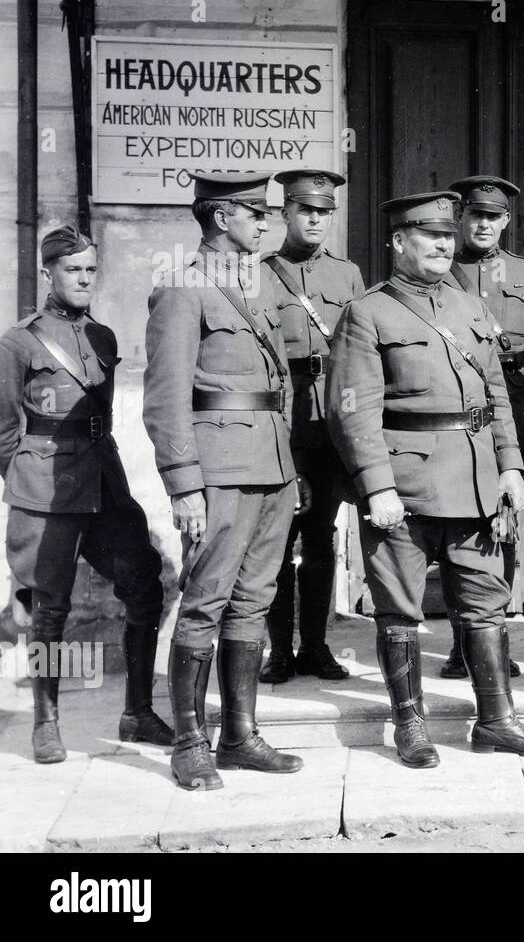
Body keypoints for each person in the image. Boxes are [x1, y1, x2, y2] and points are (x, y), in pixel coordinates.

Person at [325, 191, 524, 767]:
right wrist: (374, 485)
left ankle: (498, 721)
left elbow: (497, 398)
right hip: (404, 487)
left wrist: (510, 465)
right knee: (401, 609)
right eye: (426, 236)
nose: (440, 245)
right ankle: (410, 727)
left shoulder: (471, 309)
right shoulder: (369, 312)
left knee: (486, 603)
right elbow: (351, 408)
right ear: (398, 242)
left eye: (446, 236)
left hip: (477, 481)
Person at [143, 172, 304, 790]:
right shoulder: (183, 288)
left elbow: (280, 384)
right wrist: (183, 485)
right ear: (219, 218)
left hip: (271, 467)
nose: (266, 224)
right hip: (218, 472)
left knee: (253, 601)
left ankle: (239, 736)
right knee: (206, 599)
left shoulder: (259, 282)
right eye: (255, 214)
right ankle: (189, 742)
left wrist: (290, 466)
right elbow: (165, 397)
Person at [0, 225, 173, 764]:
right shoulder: (18, 341)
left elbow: (105, 416)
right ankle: (46, 722)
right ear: (48, 272)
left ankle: (138, 710)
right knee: (49, 607)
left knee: (144, 583)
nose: (83, 279)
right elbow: (4, 429)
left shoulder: (103, 337)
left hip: (104, 480)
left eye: (90, 270)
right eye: (72, 269)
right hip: (45, 488)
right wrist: (27, 478)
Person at [259, 169, 366, 685]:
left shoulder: (347, 275)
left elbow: (363, 352)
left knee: (322, 536)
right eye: (306, 210)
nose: (317, 219)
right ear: (285, 213)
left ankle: (316, 647)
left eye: (325, 212)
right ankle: (278, 650)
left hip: (329, 421)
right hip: (279, 420)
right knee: (277, 538)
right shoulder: (260, 274)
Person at [441, 174, 524, 678]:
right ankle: (462, 645)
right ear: (461, 218)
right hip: (457, 412)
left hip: (515, 409)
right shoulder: (441, 269)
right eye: (475, 215)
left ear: (505, 221)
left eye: (493, 216)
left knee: (506, 528)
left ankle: (496, 644)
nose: (483, 224)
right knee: (460, 528)